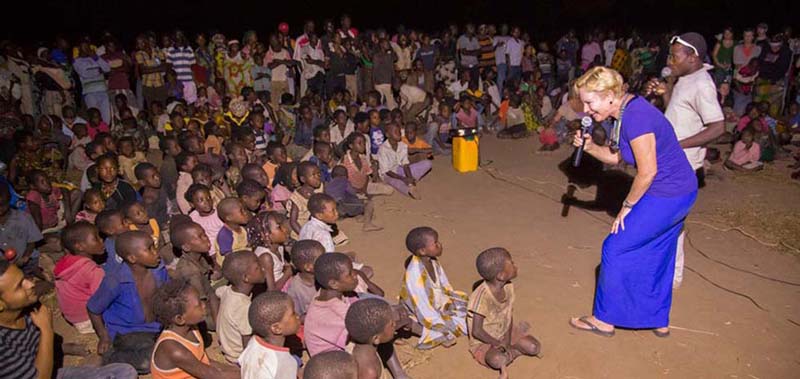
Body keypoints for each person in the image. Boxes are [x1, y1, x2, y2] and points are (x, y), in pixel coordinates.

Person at [570, 66, 698, 338]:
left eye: (590, 102)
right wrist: (590, 147)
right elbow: (618, 157)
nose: (586, 109)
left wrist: (626, 208)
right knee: (658, 251)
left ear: (609, 95)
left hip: (668, 193)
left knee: (614, 247)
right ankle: (657, 318)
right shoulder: (625, 111)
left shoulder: (636, 117)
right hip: (680, 191)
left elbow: (647, 171)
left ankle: (604, 320)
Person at [646, 32, 724, 289]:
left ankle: (673, 276)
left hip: (683, 164)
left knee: (670, 220)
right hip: (672, 160)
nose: (671, 60)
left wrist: (678, 146)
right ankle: (668, 272)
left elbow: (717, 127)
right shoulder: (684, 79)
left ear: (693, 56)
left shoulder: (702, 84)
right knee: (668, 218)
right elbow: (679, 113)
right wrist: (665, 92)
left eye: (675, 55)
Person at [0, 258, 139, 379]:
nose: (30, 284)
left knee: (125, 372)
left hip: (50, 372)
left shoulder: (28, 308)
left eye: (24, 278)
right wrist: (46, 330)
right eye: (19, 286)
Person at [304, 253, 408, 377]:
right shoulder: (331, 314)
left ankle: (398, 373)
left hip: (347, 340)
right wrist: (399, 321)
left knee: (380, 320)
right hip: (334, 364)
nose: (355, 274)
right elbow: (366, 329)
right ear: (334, 283)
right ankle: (396, 373)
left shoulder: (334, 293)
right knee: (377, 326)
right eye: (349, 273)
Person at [87, 231, 168, 374]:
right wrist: (103, 336)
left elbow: (168, 292)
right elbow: (93, 308)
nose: (156, 253)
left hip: (156, 325)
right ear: (132, 258)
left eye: (154, 247)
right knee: (149, 362)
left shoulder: (159, 269)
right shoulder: (115, 280)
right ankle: (112, 357)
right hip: (128, 331)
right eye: (149, 249)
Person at [467, 248, 541, 378]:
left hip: (505, 331)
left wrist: (506, 338)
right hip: (484, 340)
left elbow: (508, 313)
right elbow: (477, 331)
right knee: (496, 360)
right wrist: (497, 343)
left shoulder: (508, 286)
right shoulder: (481, 297)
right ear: (501, 275)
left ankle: (509, 355)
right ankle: (510, 355)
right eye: (511, 264)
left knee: (534, 347)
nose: (515, 266)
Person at [150, 279, 240, 379]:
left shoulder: (192, 328)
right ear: (180, 319)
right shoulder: (174, 350)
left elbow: (206, 362)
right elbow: (213, 375)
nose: (204, 305)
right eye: (198, 305)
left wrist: (240, 370)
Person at [399, 226, 467, 350]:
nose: (440, 245)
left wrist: (449, 303)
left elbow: (444, 286)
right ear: (423, 251)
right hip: (421, 312)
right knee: (457, 327)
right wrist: (440, 324)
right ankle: (431, 332)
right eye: (435, 243)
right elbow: (422, 308)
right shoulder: (415, 274)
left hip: (437, 305)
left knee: (467, 307)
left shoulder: (433, 261)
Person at [215, 250, 265, 364]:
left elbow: (217, 291)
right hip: (238, 356)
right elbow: (247, 342)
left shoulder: (228, 290)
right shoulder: (243, 307)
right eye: (258, 268)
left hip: (228, 346)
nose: (263, 269)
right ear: (246, 278)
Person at [239, 291, 302, 379]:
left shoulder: (253, 342)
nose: (298, 316)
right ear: (277, 328)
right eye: (293, 314)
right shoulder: (284, 362)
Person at [170, 220, 220, 329]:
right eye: (200, 237)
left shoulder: (200, 257)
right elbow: (203, 303)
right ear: (186, 247)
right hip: (200, 312)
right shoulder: (191, 272)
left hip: (208, 299)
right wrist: (218, 323)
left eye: (205, 234)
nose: (206, 238)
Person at [377, 122, 432, 199]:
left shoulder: (402, 145)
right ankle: (409, 189)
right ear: (387, 134)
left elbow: (405, 165)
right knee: (395, 182)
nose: (399, 133)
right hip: (388, 174)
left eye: (399, 131)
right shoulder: (383, 149)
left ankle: (410, 182)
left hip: (399, 169)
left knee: (427, 163)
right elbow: (386, 171)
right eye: (396, 132)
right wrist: (403, 178)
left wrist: (408, 177)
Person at [344, 298, 396, 379]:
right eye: (392, 324)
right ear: (376, 339)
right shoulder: (369, 372)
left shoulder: (357, 341)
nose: (395, 324)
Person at [247, 211, 293, 290]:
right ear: (265, 235)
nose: (285, 229)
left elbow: (283, 265)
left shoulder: (279, 246)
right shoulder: (266, 257)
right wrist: (287, 274)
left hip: (284, 283)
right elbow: (271, 290)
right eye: (279, 227)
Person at [73, 38, 112, 124]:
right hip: (90, 92)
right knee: (94, 117)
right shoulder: (77, 61)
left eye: (87, 47)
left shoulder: (96, 58)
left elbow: (107, 68)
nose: (86, 49)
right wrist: (98, 69)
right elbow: (85, 74)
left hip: (103, 90)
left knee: (107, 118)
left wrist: (96, 58)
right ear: (79, 48)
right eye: (84, 47)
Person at [285, 240, 325, 321]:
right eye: (322, 259)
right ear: (308, 267)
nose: (326, 261)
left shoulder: (326, 275)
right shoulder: (295, 288)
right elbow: (297, 317)